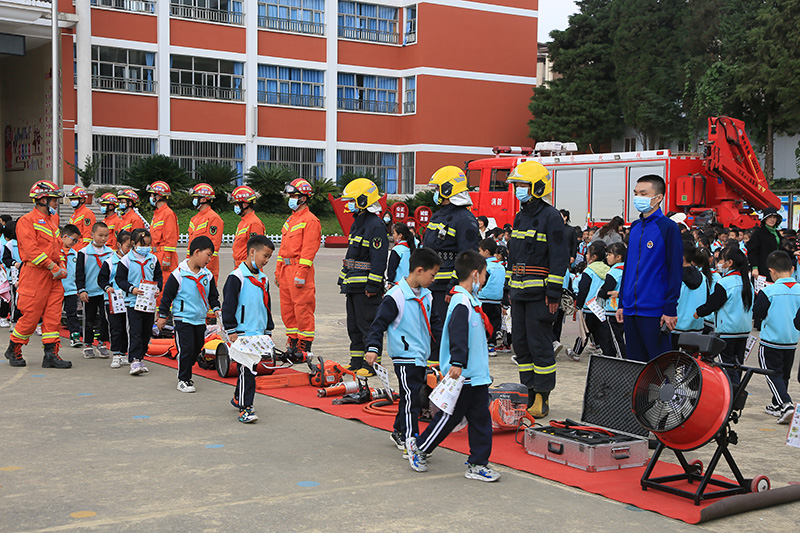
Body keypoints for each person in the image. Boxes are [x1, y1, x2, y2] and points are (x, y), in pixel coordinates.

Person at [406, 250, 501, 482]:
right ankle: (420, 448)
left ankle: (478, 463)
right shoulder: (461, 302)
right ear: (475, 274)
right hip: (463, 375)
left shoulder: (470, 300)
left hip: (477, 375)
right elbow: (458, 333)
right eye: (485, 274)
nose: (486, 279)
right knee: (449, 418)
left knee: (480, 420)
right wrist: (457, 362)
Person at [364, 248, 443, 453]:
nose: (434, 279)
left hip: (420, 356)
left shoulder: (428, 296)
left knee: (412, 395)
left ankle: (399, 431)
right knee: (411, 397)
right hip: (404, 356)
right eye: (432, 275)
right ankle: (411, 438)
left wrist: (449, 349)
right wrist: (373, 348)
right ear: (419, 270)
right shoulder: (396, 296)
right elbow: (378, 324)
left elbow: (436, 326)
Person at [506, 161, 569, 418]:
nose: (519, 189)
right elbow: (513, 256)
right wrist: (507, 288)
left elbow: (559, 257)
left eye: (523, 185)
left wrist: (553, 293)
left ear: (538, 187)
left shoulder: (551, 217)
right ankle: (528, 392)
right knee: (521, 346)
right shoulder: (520, 217)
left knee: (540, 345)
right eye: (517, 185)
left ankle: (542, 396)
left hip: (540, 296)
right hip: (519, 294)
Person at [4, 180, 72, 369]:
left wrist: (62, 265)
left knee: (53, 316)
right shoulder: (26, 221)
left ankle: (51, 355)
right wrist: (52, 266)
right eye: (53, 200)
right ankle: (14, 348)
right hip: (35, 275)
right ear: (42, 199)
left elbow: (58, 247)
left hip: (54, 276)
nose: (56, 203)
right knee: (31, 316)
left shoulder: (53, 221)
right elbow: (31, 250)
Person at [615, 175, 682, 362]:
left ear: (658, 197)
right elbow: (628, 269)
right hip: (630, 310)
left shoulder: (668, 227)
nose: (638, 198)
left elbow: (675, 270)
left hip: (654, 310)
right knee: (636, 364)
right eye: (636, 193)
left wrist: (670, 308)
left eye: (644, 193)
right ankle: (640, 393)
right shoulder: (635, 227)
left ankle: (665, 393)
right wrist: (622, 303)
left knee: (659, 367)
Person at [422, 166, 481, 351]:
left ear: (448, 189)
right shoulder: (438, 215)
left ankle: (442, 374)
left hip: (446, 290)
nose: (435, 193)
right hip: (430, 286)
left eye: (437, 189)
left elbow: (467, 257)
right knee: (430, 334)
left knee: (443, 336)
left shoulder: (465, 219)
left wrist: (454, 287)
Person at [222, 235, 276, 424]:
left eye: (269, 257)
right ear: (252, 252)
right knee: (247, 370)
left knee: (250, 370)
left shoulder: (264, 279)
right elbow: (228, 305)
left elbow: (266, 305)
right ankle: (246, 408)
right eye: (265, 255)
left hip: (258, 334)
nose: (267, 260)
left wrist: (268, 329)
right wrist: (231, 329)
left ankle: (239, 396)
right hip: (242, 333)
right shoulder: (236, 278)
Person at [338, 178, 389, 377]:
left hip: (366, 286)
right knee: (354, 326)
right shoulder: (357, 223)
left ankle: (372, 365)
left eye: (351, 200)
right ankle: (356, 361)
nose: (348, 204)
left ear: (362, 200)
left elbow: (379, 259)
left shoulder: (375, 225)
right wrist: (343, 279)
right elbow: (351, 255)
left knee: (368, 325)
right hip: (353, 284)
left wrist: (374, 285)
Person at [157, 236, 221, 393]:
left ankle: (185, 362)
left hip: (199, 319)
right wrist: (163, 315)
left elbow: (213, 295)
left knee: (197, 347)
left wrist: (217, 308)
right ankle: (184, 380)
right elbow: (167, 297)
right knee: (186, 348)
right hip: (182, 318)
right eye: (208, 255)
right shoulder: (178, 274)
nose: (209, 259)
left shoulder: (207, 276)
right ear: (197, 252)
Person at [275, 178, 321, 361]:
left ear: (304, 198)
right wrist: (278, 270)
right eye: (290, 196)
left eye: (294, 196)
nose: (291, 199)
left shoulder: (311, 221)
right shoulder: (291, 220)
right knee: (288, 309)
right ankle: (292, 344)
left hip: (299, 269)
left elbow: (309, 250)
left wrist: (301, 272)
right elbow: (283, 248)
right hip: (286, 269)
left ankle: (304, 346)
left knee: (302, 308)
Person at [694, 246, 753, 388]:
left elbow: (712, 304)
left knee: (726, 365)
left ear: (730, 262)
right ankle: (737, 392)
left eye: (721, 260)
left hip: (727, 331)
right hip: (743, 331)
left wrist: (699, 312)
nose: (719, 263)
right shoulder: (747, 282)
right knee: (738, 365)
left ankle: (732, 394)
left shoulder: (725, 283)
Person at [754, 251, 800, 424]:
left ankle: (786, 405)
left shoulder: (769, 291)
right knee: (784, 375)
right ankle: (777, 404)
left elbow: (758, 314)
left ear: (771, 271)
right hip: (791, 340)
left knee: (772, 374)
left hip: (771, 340)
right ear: (792, 269)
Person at [115, 228, 163, 376]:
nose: (146, 248)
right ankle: (134, 359)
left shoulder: (153, 259)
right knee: (135, 331)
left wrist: (158, 288)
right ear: (134, 244)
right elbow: (120, 279)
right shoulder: (126, 260)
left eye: (148, 245)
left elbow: (158, 276)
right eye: (143, 245)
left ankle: (141, 357)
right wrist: (131, 289)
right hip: (133, 301)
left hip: (149, 302)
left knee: (146, 331)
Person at [76, 222, 113, 359]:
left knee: (105, 319)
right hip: (89, 292)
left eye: (106, 235)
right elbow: (79, 273)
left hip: (105, 292)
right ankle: (88, 344)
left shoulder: (110, 253)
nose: (103, 238)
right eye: (100, 235)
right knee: (89, 319)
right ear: (92, 235)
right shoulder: (84, 253)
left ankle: (102, 343)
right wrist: (81, 290)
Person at [98, 230, 132, 369]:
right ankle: (116, 354)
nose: (130, 250)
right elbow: (101, 279)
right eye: (128, 246)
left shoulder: (132, 262)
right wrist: (107, 287)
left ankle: (124, 353)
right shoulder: (110, 262)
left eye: (132, 247)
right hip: (112, 300)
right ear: (119, 245)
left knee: (126, 327)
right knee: (115, 327)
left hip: (127, 299)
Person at [575, 241, 614, 357]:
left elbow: (583, 289)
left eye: (587, 253)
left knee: (585, 331)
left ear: (593, 256)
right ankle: (607, 353)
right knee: (603, 331)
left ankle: (576, 352)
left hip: (588, 307)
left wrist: (579, 305)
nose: (586, 256)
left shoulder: (589, 271)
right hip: (602, 307)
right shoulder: (608, 270)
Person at [671, 241, 706, 350]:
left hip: (676, 326)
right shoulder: (703, 277)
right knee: (691, 363)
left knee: (674, 363)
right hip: (697, 327)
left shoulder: (674, 277)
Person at [187, 183, 224, 281]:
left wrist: (205, 267)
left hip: (206, 266)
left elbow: (214, 247)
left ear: (203, 199)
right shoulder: (194, 218)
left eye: (195, 197)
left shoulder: (213, 218)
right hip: (193, 264)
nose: (194, 200)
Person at [597, 242, 626, 358]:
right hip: (626, 308)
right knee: (623, 337)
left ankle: (622, 360)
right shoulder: (629, 270)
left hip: (613, 310)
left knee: (615, 338)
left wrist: (602, 293)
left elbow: (604, 292)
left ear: (618, 257)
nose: (607, 257)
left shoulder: (613, 272)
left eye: (609, 254)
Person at [477, 238, 504, 355]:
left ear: (486, 252)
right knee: (494, 322)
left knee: (483, 323)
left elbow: (482, 282)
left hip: (484, 298)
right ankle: (492, 345)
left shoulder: (485, 266)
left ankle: (484, 344)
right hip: (497, 300)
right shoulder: (501, 266)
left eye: (480, 251)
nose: (479, 254)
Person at [147, 181, 179, 278]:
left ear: (159, 196)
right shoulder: (157, 213)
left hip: (163, 255)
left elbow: (171, 237)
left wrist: (167, 257)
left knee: (164, 284)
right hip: (156, 254)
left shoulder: (167, 214)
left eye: (152, 195)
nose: (151, 197)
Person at [229, 185, 265, 266]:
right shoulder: (244, 222)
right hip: (240, 266)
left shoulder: (254, 223)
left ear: (245, 204)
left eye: (236, 204)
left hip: (248, 268)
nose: (235, 207)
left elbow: (256, 251)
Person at [60, 224, 83, 347]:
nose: (74, 243)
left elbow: (78, 272)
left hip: (71, 290)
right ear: (64, 236)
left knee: (72, 313)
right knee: (54, 314)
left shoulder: (75, 254)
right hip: (56, 290)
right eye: (73, 240)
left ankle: (75, 335)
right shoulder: (55, 251)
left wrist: (79, 287)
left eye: (76, 241)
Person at [747, 207, 781, 282]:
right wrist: (755, 267)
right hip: (763, 267)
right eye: (769, 217)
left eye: (774, 217)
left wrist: (793, 253)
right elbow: (753, 252)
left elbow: (780, 248)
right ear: (765, 219)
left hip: (777, 267)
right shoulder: (758, 233)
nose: (772, 220)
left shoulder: (777, 233)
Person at [67, 185, 95, 250]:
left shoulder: (87, 213)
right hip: (72, 248)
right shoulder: (74, 215)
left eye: (74, 199)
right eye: (71, 199)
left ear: (82, 200)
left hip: (80, 249)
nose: (72, 201)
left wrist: (81, 252)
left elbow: (87, 237)